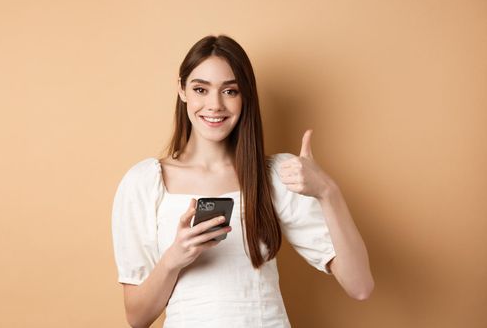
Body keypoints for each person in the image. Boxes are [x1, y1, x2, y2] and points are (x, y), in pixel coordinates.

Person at [111, 34, 374, 328]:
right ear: (182, 90)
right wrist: (174, 258)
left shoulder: (275, 176)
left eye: (230, 91)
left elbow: (360, 286)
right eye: (200, 89)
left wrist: (328, 191)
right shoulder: (144, 182)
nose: (214, 105)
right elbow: (137, 317)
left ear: (245, 96)